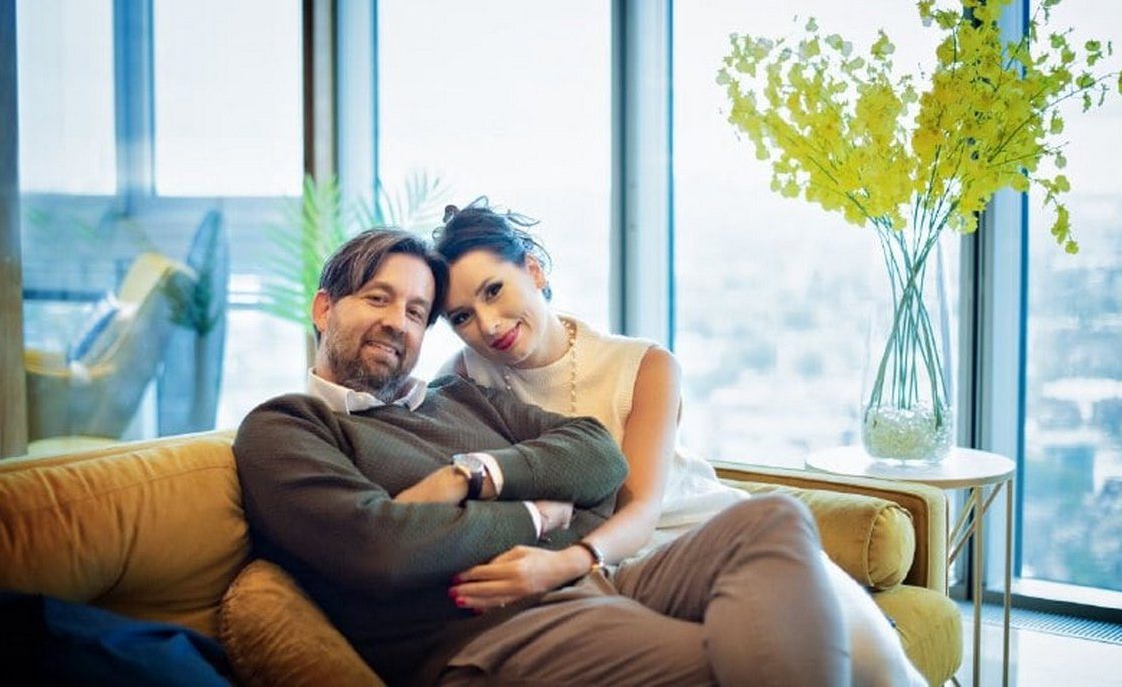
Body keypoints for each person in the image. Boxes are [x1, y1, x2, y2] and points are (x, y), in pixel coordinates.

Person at [235, 227, 849, 686]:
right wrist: (536, 513)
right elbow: (384, 550)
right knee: (729, 658)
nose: (398, 323)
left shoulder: (458, 397)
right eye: (378, 299)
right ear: (324, 309)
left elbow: (599, 460)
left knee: (773, 517)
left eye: (416, 312)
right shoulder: (286, 428)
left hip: (590, 581)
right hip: (490, 637)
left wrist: (473, 475)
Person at [433, 199, 925, 687]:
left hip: (702, 531)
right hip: (623, 571)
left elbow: (642, 508)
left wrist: (566, 562)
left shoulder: (645, 364)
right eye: (461, 317)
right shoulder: (461, 381)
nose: (488, 324)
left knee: (874, 663)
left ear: (534, 270)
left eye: (494, 290)